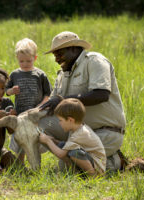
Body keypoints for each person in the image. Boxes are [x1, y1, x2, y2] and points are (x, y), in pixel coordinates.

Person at [39, 31, 126, 172]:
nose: (56, 59)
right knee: (38, 124)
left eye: (59, 54)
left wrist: (65, 99)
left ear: (73, 49)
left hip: (106, 132)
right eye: (55, 56)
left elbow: (102, 94)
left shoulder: (94, 61)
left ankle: (115, 161)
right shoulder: (62, 74)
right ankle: (79, 155)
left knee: (66, 169)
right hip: (77, 131)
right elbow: (53, 104)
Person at [6, 38, 52, 163]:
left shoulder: (40, 74)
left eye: (28, 61)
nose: (25, 64)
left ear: (35, 58)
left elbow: (48, 92)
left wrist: (41, 105)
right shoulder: (14, 74)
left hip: (36, 116)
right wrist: (11, 91)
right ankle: (20, 165)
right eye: (21, 61)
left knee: (36, 139)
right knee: (20, 139)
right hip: (20, 115)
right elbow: (6, 90)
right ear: (17, 58)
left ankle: (36, 165)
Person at [39, 98, 106, 177]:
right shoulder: (76, 129)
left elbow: (60, 154)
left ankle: (93, 176)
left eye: (60, 120)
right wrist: (53, 140)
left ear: (70, 120)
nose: (59, 123)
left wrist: (48, 141)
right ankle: (77, 175)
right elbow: (66, 147)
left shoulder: (79, 134)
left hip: (97, 168)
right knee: (62, 145)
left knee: (75, 153)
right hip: (89, 160)